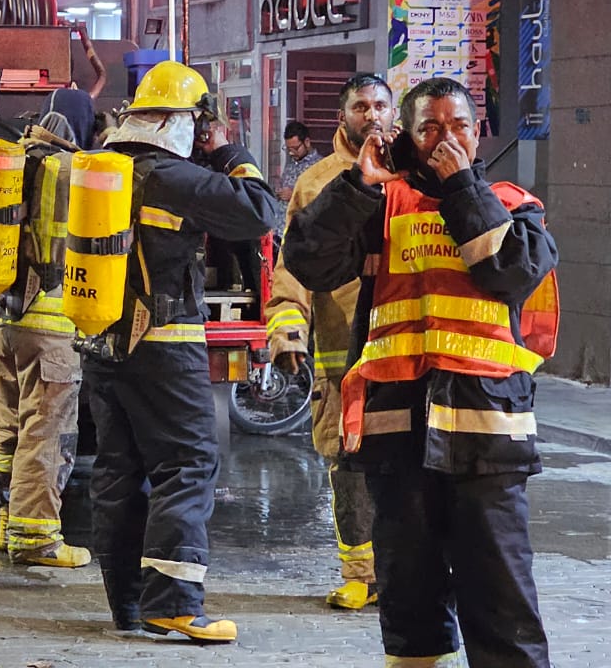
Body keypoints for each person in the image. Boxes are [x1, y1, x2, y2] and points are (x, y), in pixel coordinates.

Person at [283, 77, 558, 668]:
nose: (444, 140)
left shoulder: (512, 206)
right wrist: (358, 183)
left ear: (478, 131)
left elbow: (510, 272)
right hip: (396, 433)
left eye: (457, 126)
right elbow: (307, 258)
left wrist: (461, 187)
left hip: (487, 438)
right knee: (408, 598)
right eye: (428, 127)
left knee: (502, 596)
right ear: (403, 137)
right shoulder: (378, 203)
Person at [83, 61, 281, 643]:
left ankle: (129, 606)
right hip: (165, 347)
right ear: (183, 122)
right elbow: (259, 212)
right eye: (198, 122)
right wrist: (228, 151)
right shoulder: (172, 177)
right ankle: (173, 602)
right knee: (188, 464)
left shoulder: (104, 166)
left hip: (104, 344)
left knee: (120, 472)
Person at [264, 74, 394, 611]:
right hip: (342, 354)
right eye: (361, 107)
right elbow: (291, 268)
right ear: (343, 117)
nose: (372, 115)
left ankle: (405, 569)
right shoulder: (318, 183)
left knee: (405, 463)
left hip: (403, 349)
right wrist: (287, 331)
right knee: (348, 463)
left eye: (381, 105)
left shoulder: (412, 175)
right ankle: (361, 574)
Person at [0, 88, 94, 568]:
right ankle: (37, 539)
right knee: (46, 432)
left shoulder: (13, 164)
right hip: (50, 327)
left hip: (5, 322)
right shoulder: (73, 174)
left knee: (9, 426)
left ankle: (9, 522)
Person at [277, 120, 321, 224]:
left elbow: (322, 200)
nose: (291, 153)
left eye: (296, 148)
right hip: (279, 229)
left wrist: (294, 195)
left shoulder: (320, 167)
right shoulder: (290, 165)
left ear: (307, 142)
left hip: (300, 231)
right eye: (288, 149)